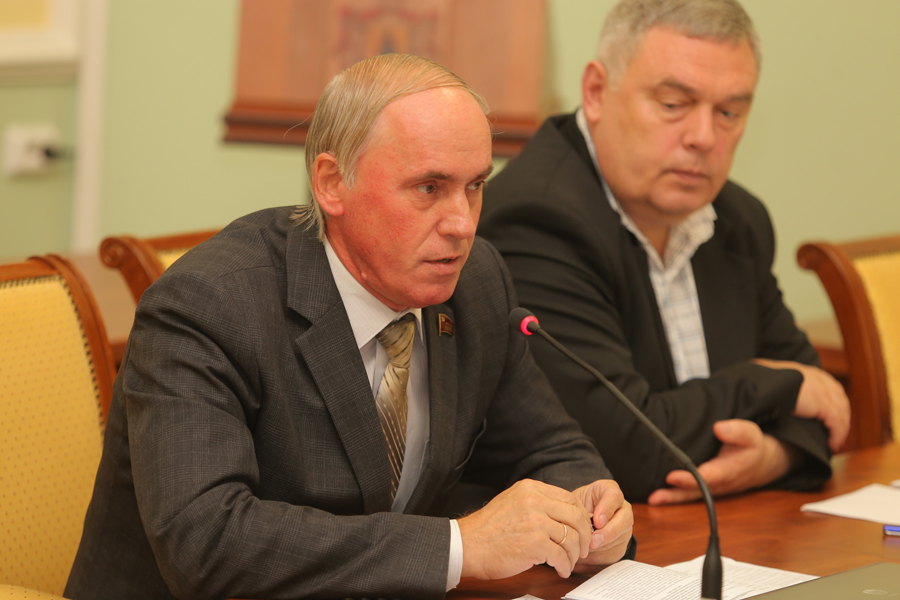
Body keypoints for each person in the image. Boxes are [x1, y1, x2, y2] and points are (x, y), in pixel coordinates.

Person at [64, 54, 633, 600]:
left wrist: (593, 514)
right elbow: (205, 543)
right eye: (429, 188)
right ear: (333, 183)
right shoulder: (209, 304)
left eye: (475, 185)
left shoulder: (476, 283)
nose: (462, 224)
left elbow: (550, 448)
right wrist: (459, 547)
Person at [479, 0, 850, 505]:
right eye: (674, 104)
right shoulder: (537, 221)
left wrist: (772, 456)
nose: (703, 138)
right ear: (596, 92)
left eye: (729, 113)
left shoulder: (736, 220)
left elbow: (825, 409)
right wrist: (770, 385)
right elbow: (629, 453)